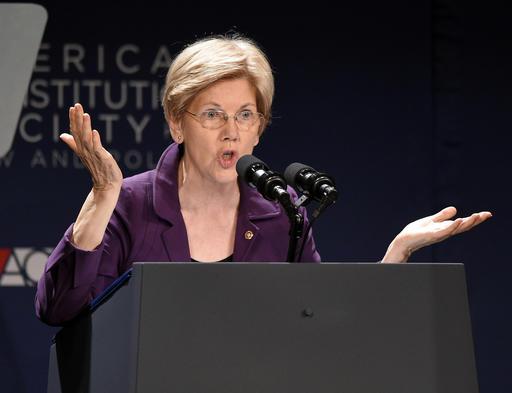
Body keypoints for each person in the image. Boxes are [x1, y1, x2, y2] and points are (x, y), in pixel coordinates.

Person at [35, 34, 491, 326]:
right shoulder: (130, 202)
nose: (231, 130)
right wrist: (102, 197)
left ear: (260, 125)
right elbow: (58, 310)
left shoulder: (280, 209)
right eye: (212, 114)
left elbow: (322, 325)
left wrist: (397, 252)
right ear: (177, 122)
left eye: (245, 114)